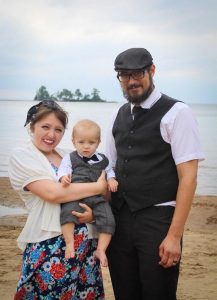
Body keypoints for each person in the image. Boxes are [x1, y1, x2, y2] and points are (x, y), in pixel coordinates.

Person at [106, 48, 205, 300]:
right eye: (124, 75)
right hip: (120, 219)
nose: (131, 81)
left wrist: (174, 236)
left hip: (158, 220)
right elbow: (109, 169)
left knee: (157, 293)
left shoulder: (177, 112)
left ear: (152, 70)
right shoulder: (119, 114)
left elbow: (189, 178)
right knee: (125, 293)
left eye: (137, 73)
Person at [8, 100, 107, 299]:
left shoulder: (68, 156)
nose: (51, 135)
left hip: (85, 243)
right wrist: (97, 186)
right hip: (50, 244)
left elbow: (100, 193)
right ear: (31, 126)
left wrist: (93, 215)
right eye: (45, 127)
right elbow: (53, 194)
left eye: (58, 129)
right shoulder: (22, 156)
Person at [58, 119, 117, 266]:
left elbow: (108, 171)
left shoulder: (103, 159)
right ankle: (69, 242)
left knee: (108, 218)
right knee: (67, 212)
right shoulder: (70, 158)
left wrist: (112, 180)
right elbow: (63, 170)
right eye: (81, 142)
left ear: (98, 142)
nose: (86, 146)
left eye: (91, 143)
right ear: (73, 142)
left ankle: (101, 249)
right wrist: (63, 178)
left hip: (97, 198)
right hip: (76, 195)